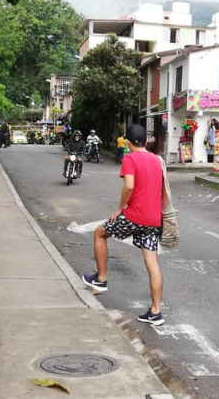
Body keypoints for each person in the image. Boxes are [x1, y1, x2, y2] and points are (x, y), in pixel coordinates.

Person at [83, 124, 168, 326]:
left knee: (99, 233)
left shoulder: (130, 158)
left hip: (133, 216)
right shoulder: (158, 160)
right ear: (146, 142)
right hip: (153, 220)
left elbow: (129, 185)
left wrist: (120, 208)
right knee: (152, 263)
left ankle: (101, 279)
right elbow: (164, 193)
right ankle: (156, 312)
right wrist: (159, 215)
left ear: (128, 143)